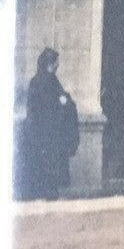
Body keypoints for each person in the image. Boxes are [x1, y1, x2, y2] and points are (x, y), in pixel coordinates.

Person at [18, 48, 78, 200]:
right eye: (56, 63)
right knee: (48, 168)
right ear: (50, 64)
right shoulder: (48, 82)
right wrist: (65, 102)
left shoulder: (39, 81)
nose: (57, 66)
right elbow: (57, 102)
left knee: (42, 168)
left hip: (40, 133)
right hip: (47, 134)